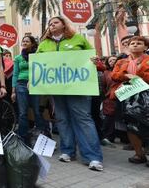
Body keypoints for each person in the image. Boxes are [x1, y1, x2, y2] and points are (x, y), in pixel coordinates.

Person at [38, 16, 103, 171]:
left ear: (64, 25)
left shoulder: (78, 39)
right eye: (50, 23)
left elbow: (92, 57)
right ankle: (68, 151)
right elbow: (38, 64)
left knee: (83, 118)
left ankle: (93, 157)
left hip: (78, 87)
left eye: (55, 22)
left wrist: (94, 60)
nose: (52, 25)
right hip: (57, 88)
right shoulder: (44, 43)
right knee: (62, 119)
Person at [111, 36, 149, 165]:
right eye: (132, 43)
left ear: (145, 47)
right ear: (128, 47)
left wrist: (137, 76)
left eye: (139, 43)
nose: (135, 45)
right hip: (127, 96)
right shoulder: (121, 62)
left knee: (147, 124)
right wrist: (126, 75)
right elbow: (114, 75)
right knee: (131, 125)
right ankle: (139, 154)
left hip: (146, 95)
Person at [11, 35, 48, 144]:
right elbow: (15, 74)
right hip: (21, 85)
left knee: (37, 111)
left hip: (35, 85)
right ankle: (23, 139)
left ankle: (43, 138)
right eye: (23, 41)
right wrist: (13, 90)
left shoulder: (37, 56)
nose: (25, 43)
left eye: (27, 41)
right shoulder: (18, 58)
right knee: (23, 113)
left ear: (32, 44)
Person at [100, 55, 118, 146]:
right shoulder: (106, 73)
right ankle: (108, 137)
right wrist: (107, 95)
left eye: (114, 60)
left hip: (123, 96)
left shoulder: (123, 71)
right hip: (110, 98)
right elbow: (103, 86)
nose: (112, 62)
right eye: (110, 61)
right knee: (109, 118)